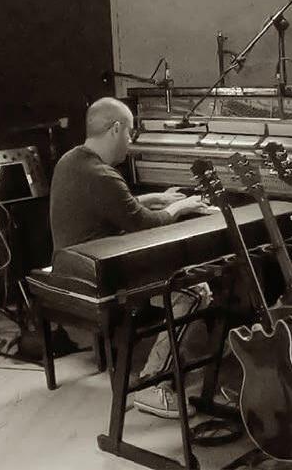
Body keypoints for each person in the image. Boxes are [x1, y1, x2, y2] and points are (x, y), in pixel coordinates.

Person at [49, 97, 211, 417]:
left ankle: (175, 359)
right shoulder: (101, 174)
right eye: (130, 132)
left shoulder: (72, 160)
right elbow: (143, 224)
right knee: (194, 291)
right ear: (115, 129)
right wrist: (181, 207)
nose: (130, 141)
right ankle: (153, 383)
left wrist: (156, 198)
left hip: (75, 265)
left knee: (185, 279)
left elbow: (114, 204)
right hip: (99, 276)